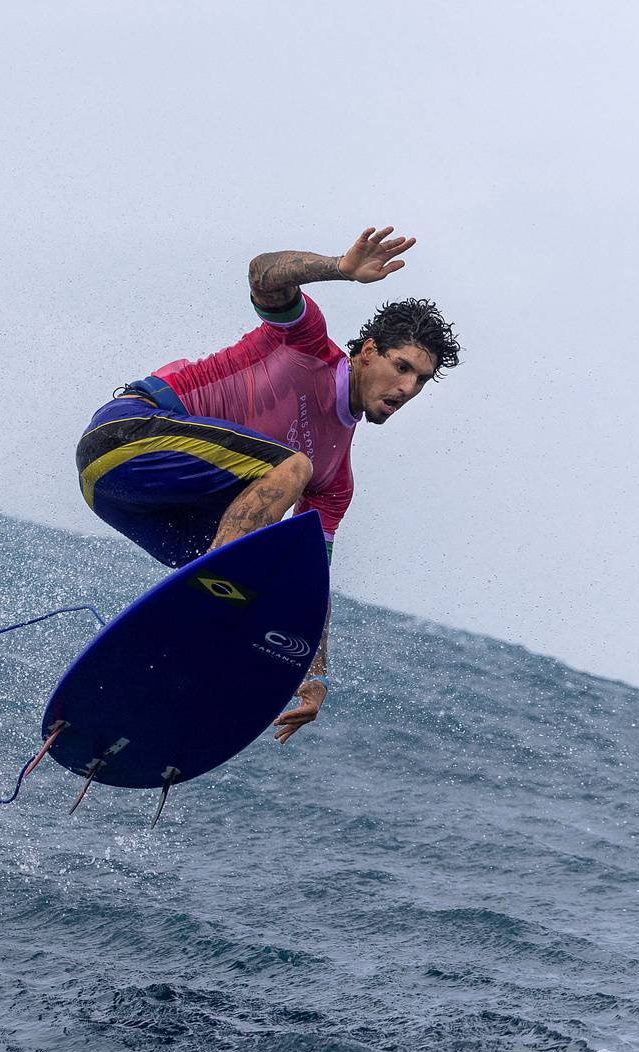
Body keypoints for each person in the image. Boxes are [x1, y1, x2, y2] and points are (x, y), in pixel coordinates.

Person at [75, 227, 461, 743]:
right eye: (401, 367)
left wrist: (314, 674)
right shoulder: (306, 343)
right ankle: (201, 611)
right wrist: (338, 268)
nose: (407, 388)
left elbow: (311, 583)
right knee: (291, 470)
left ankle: (175, 677)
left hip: (131, 503)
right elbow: (263, 274)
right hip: (126, 437)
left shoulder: (336, 481)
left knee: (277, 570)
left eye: (420, 381)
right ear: (368, 352)